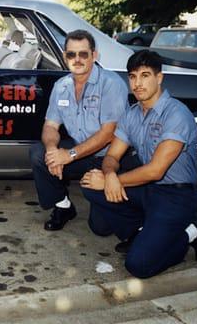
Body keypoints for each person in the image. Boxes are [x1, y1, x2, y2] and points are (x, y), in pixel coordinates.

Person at [81, 50, 197, 278]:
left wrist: (112, 180)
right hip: (147, 190)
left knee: (138, 265)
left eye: (145, 75)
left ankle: (192, 230)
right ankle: (140, 231)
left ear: (159, 78)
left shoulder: (177, 114)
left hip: (176, 196)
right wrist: (109, 175)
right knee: (89, 185)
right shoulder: (131, 114)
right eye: (132, 77)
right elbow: (112, 157)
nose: (137, 83)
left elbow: (155, 170)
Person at [29, 29, 128, 231]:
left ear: (94, 56)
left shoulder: (111, 84)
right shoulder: (61, 86)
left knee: (101, 228)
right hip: (81, 153)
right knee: (39, 153)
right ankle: (63, 206)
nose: (77, 59)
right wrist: (52, 151)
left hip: (109, 158)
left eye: (83, 54)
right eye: (71, 54)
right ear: (65, 56)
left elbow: (109, 133)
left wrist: (69, 155)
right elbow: (50, 125)